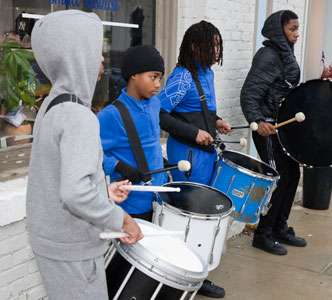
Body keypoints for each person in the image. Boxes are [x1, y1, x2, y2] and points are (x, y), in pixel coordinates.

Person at [26, 10, 142, 300]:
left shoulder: (52, 106)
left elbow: (58, 178)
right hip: (72, 248)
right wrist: (123, 220)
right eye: (96, 50)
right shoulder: (78, 116)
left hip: (53, 243)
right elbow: (75, 194)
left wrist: (102, 191)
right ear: (75, 55)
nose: (102, 58)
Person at [158, 20, 230, 299]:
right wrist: (194, 132)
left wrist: (217, 121)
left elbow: (200, 108)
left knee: (203, 216)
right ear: (194, 46)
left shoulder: (206, 74)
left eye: (217, 45)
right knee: (190, 216)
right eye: (211, 46)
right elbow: (160, 113)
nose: (215, 51)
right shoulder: (182, 76)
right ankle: (187, 275)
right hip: (187, 154)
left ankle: (196, 272)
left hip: (204, 153)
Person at [240, 10, 307, 256]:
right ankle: (263, 233)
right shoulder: (267, 55)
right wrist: (257, 120)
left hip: (283, 126)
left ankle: (279, 226)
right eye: (292, 29)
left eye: (298, 28)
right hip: (268, 128)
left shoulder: (283, 53)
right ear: (280, 30)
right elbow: (250, 92)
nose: (297, 33)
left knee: (292, 174)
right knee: (278, 178)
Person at [98, 45, 166, 222]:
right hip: (130, 205)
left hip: (159, 198)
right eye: (153, 77)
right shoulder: (110, 115)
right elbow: (89, 154)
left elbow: (149, 142)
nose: (158, 84)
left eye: (159, 78)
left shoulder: (154, 104)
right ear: (134, 75)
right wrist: (118, 165)